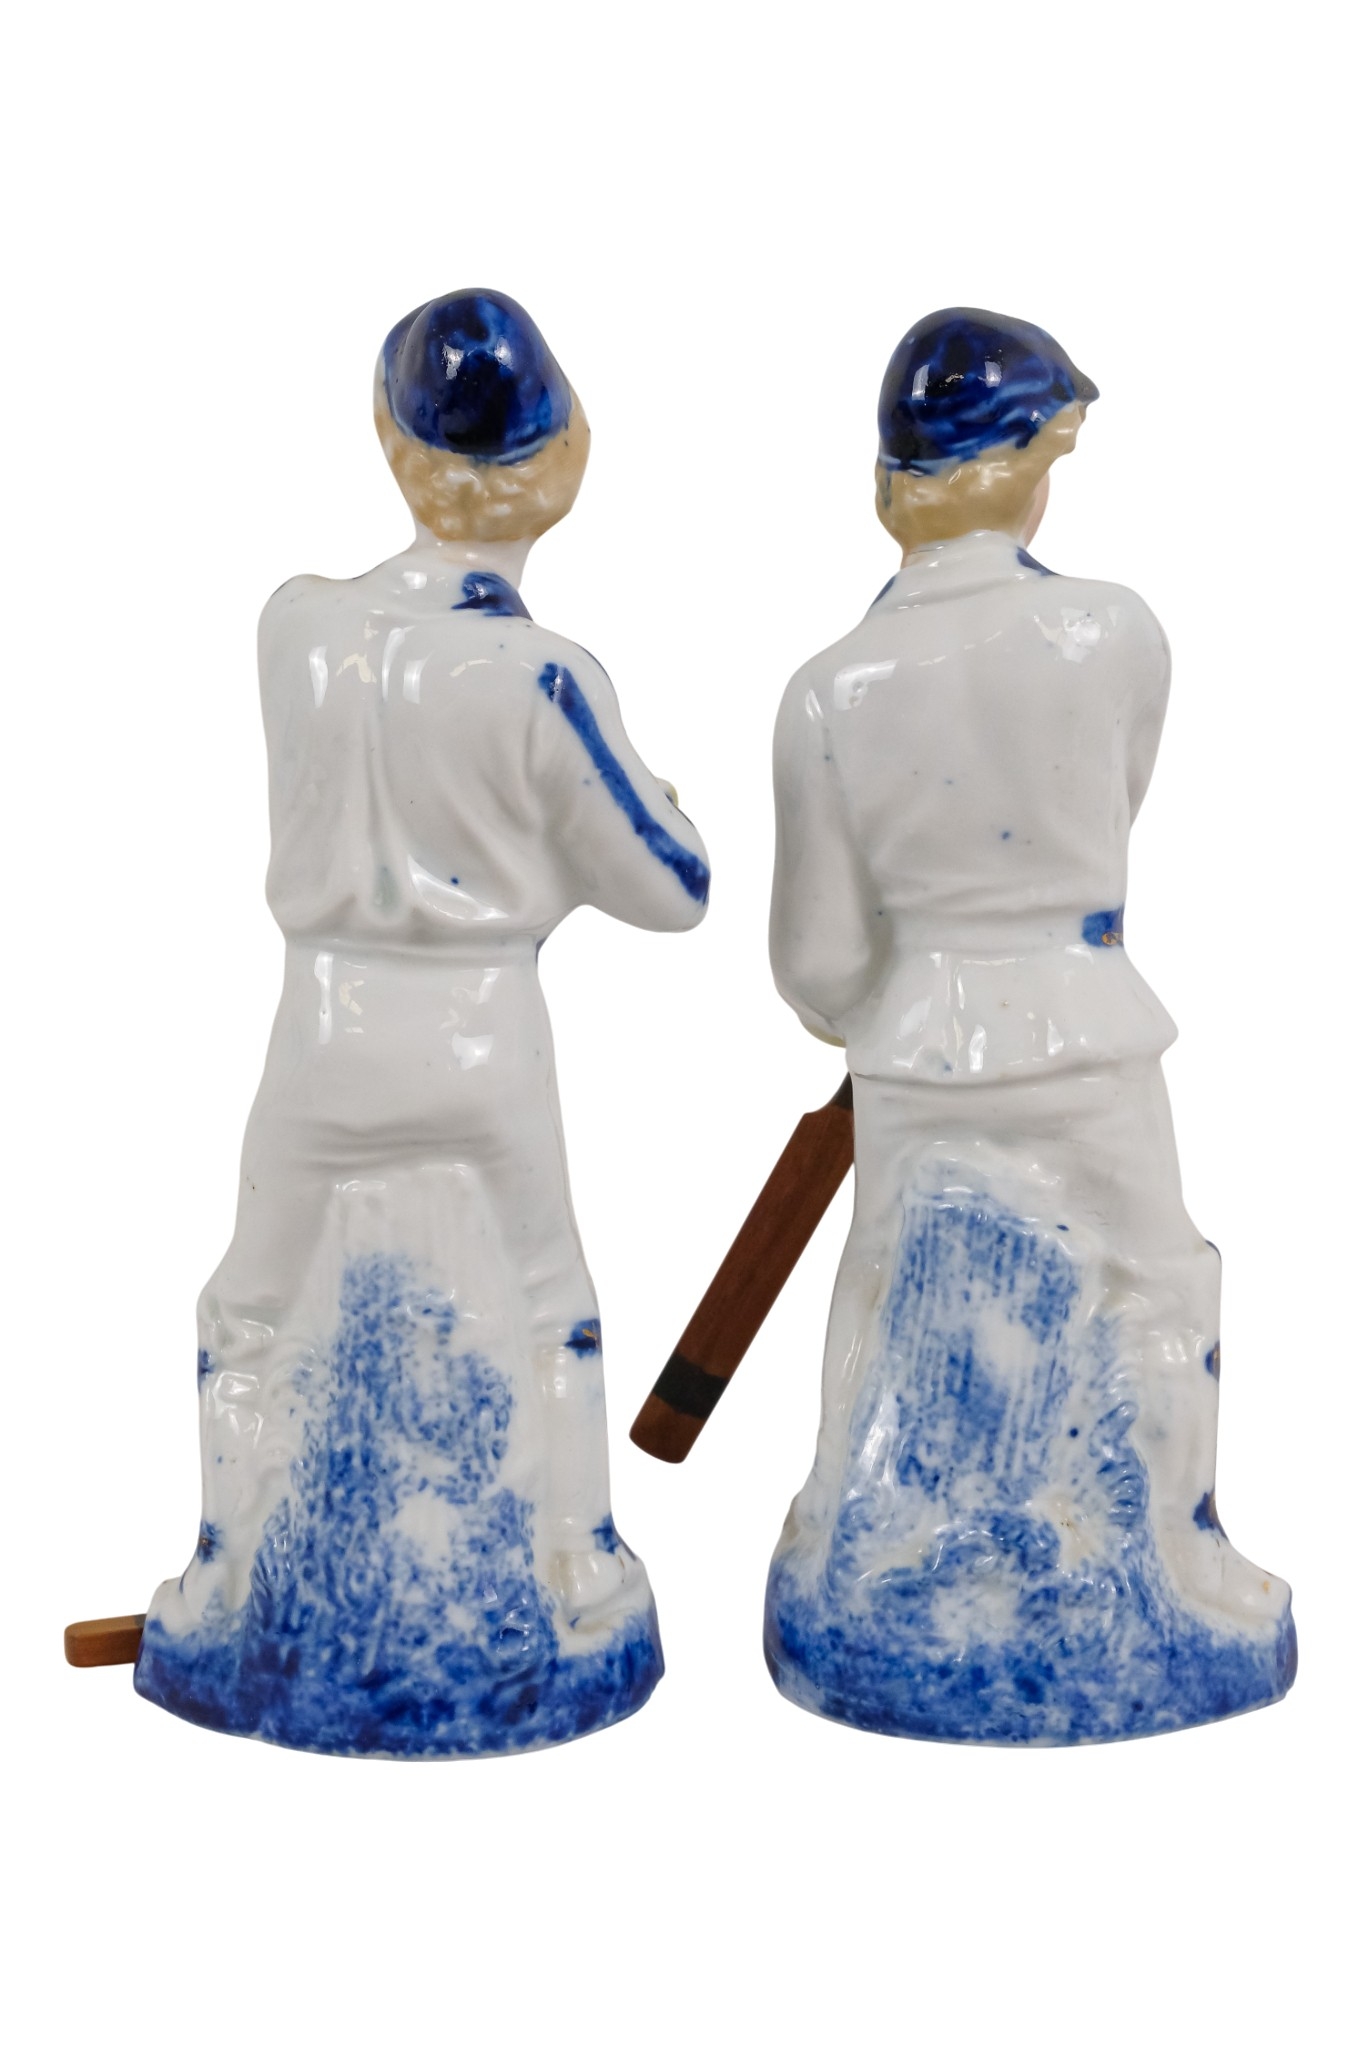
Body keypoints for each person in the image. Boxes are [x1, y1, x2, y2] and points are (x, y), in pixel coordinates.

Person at [135, 290, 710, 1756]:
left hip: (325, 1030)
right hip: (476, 1035)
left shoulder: (297, 626)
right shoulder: (542, 675)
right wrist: (639, 812)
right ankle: (574, 1564)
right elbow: (673, 890)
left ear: (392, 447)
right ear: (564, 462)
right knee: (546, 1298)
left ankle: (223, 1568)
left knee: (253, 1304)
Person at [764, 308, 1294, 1744]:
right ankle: (1177, 1560)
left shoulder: (825, 689)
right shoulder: (1110, 632)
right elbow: (1115, 806)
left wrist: (879, 1002)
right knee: (1148, 1283)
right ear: (1032, 460)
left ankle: (851, 1545)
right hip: (1084, 1021)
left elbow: (816, 965)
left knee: (886, 1299)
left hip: (916, 1042)